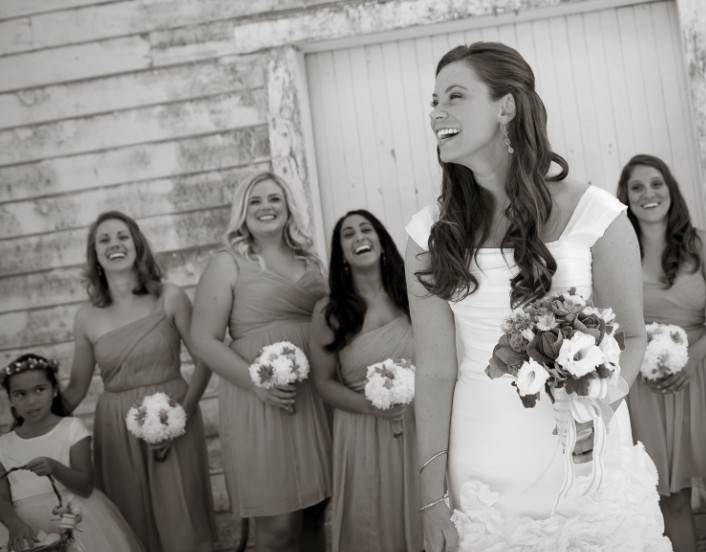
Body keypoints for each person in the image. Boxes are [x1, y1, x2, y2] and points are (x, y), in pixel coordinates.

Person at [404, 42, 670, 551]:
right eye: (434, 100)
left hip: (585, 458)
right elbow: (435, 370)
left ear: (506, 107)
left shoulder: (597, 215)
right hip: (484, 465)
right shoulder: (429, 231)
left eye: (455, 96)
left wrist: (601, 409)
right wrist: (431, 500)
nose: (437, 112)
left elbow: (632, 335)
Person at [191, 172, 331, 552]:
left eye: (274, 199)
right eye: (255, 201)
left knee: (317, 516)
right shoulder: (228, 263)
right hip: (257, 399)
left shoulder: (312, 262)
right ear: (242, 211)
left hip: (313, 399)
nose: (266, 207)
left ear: (288, 209)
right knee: (278, 527)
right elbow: (203, 340)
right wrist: (256, 382)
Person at [61, 211, 216, 552]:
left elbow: (205, 359)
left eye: (122, 236)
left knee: (181, 521)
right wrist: (30, 411)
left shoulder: (169, 297)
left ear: (136, 245)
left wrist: (181, 417)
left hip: (173, 418)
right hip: (117, 431)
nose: (114, 244)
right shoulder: (86, 317)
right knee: (130, 525)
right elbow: (75, 388)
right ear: (95, 255)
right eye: (104, 239)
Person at [618, 154, 706, 552]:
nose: (648, 194)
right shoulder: (617, 250)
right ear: (625, 198)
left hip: (701, 371)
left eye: (656, 184)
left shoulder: (701, 243)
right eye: (637, 187)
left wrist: (693, 359)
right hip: (645, 384)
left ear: (671, 189)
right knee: (669, 496)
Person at [309, 209, 422, 552]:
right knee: (371, 527)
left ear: (382, 243)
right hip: (361, 431)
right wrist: (371, 408)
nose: (359, 237)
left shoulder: (412, 295)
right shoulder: (329, 312)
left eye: (366, 229)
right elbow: (324, 383)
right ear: (341, 255)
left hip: (418, 425)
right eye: (348, 234)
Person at [0, 353, 145, 552]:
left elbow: (85, 486)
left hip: (76, 516)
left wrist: (56, 468)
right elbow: (1, 498)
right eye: (20, 394)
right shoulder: (4, 444)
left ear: (53, 390)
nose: (31, 401)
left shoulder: (71, 428)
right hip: (26, 527)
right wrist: (13, 523)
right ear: (9, 398)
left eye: (40, 390)